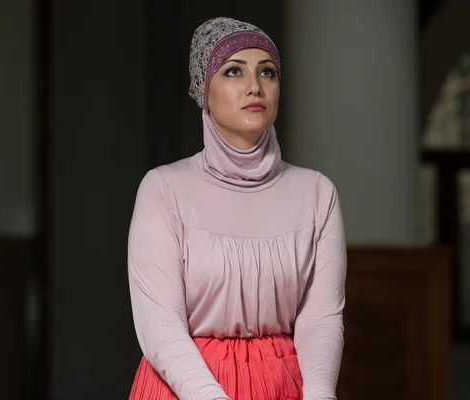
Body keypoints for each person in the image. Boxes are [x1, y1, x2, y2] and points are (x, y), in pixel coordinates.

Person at [127, 16, 347, 400]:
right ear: (202, 91)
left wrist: (320, 395)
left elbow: (321, 318)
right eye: (232, 71)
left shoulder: (316, 192)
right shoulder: (163, 189)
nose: (254, 86)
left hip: (284, 387)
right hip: (185, 388)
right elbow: (159, 323)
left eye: (267, 72)